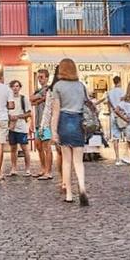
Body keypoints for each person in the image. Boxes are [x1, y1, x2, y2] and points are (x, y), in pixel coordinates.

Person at [50, 59, 90, 206]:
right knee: (78, 161)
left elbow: (55, 111)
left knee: (66, 161)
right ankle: (83, 188)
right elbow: (87, 103)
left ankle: (69, 194)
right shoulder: (81, 86)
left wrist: (53, 131)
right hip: (79, 121)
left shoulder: (58, 86)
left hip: (65, 121)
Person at [100, 76, 130, 166]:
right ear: (120, 82)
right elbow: (124, 103)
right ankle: (126, 155)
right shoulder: (122, 91)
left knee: (115, 138)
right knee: (128, 136)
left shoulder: (110, 92)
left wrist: (112, 112)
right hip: (122, 115)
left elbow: (109, 105)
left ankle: (117, 158)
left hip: (113, 116)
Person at [30, 69, 52, 179]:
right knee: (38, 146)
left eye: (42, 77)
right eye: (38, 77)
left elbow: (33, 99)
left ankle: (48, 171)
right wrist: (41, 99)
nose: (40, 79)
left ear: (47, 78)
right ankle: (43, 168)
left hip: (46, 122)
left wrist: (39, 99)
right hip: (38, 122)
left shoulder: (48, 89)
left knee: (46, 147)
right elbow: (31, 100)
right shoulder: (39, 90)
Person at [7, 80, 32, 177]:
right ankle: (13, 168)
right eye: (13, 86)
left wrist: (18, 116)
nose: (15, 88)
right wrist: (10, 118)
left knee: (25, 148)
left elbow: (29, 113)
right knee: (13, 148)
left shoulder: (23, 99)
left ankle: (28, 169)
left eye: (17, 86)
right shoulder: (8, 100)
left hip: (21, 127)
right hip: (12, 127)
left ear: (20, 87)